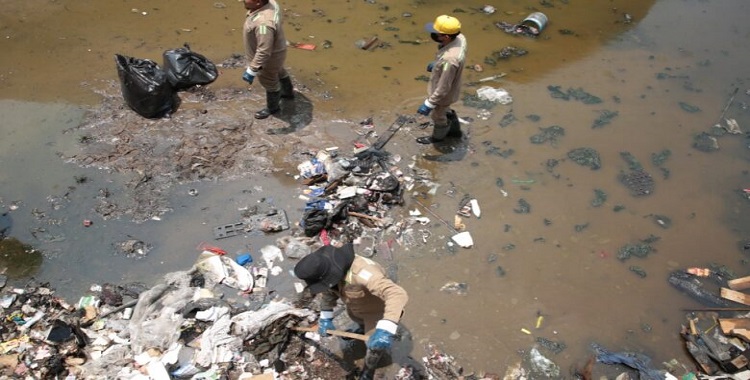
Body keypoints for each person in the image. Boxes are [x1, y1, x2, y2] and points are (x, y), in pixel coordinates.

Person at [293, 243, 408, 356]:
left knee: (373, 347)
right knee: (359, 323)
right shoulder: (329, 270)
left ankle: (371, 367)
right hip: (356, 308)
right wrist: (325, 317)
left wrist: (386, 328)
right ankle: (362, 328)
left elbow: (397, 294)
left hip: (376, 314)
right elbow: (329, 292)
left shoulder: (364, 273)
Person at [416, 15, 467, 144]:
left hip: (444, 93)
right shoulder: (460, 38)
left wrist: (429, 103)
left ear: (446, 37)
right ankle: (455, 133)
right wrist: (438, 64)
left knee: (438, 115)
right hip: (452, 78)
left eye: (436, 33)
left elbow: (443, 88)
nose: (433, 35)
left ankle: (438, 139)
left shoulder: (449, 60)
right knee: (445, 109)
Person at [242, 0, 294, 119]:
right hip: (278, 49)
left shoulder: (263, 24)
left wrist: (252, 69)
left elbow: (264, 51)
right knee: (279, 70)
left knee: (270, 82)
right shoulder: (271, 4)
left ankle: (273, 108)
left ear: (258, 3)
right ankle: (288, 93)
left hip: (269, 59)